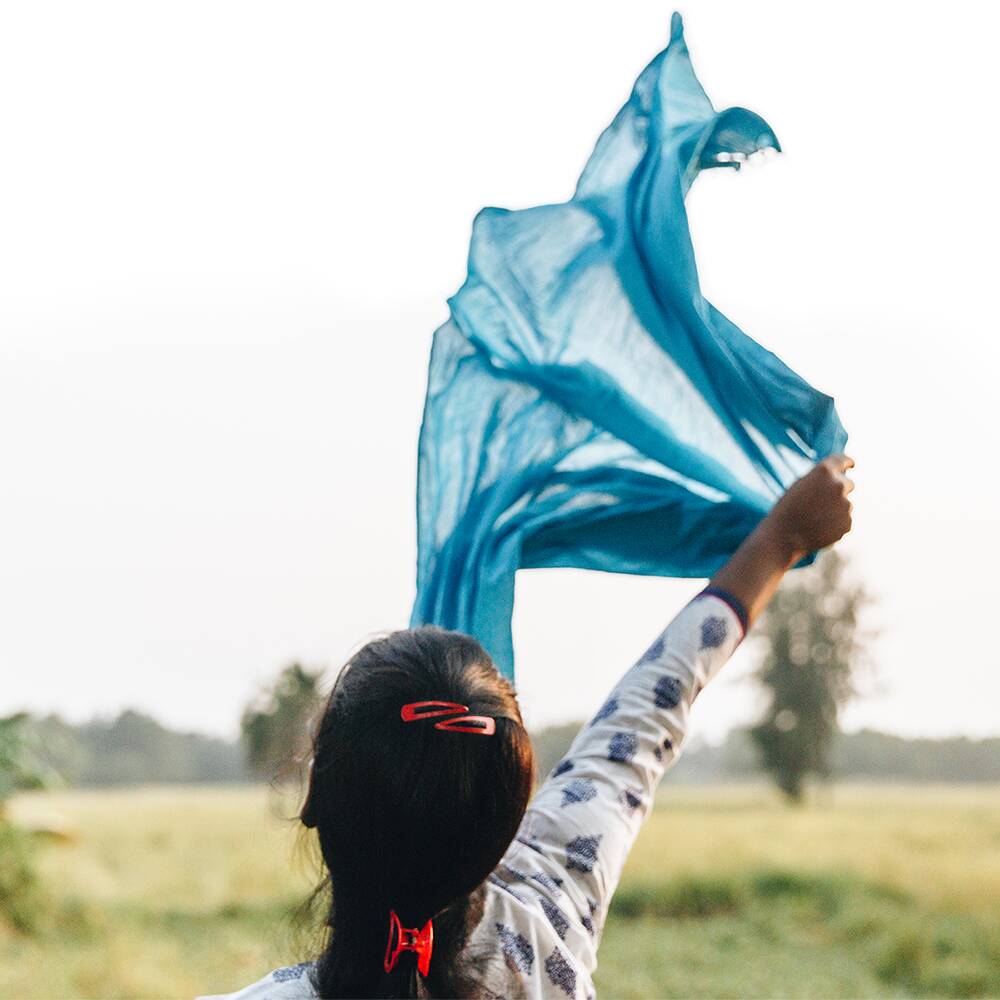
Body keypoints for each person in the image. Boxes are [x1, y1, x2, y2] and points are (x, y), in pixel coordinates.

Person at [201, 454, 854, 999]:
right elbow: (650, 707)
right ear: (510, 822)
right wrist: (780, 539)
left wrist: (780, 540)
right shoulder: (550, 912)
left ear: (315, 796)